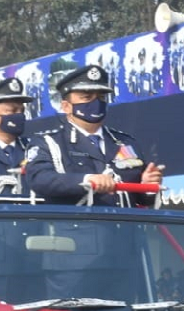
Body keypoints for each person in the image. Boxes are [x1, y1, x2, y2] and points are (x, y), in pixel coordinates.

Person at [26, 65, 163, 206]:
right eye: (87, 97)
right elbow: (39, 179)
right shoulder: (49, 143)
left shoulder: (125, 142)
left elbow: (141, 199)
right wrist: (87, 179)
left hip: (125, 225)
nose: (96, 103)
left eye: (101, 97)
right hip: (80, 225)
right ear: (66, 106)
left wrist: (147, 185)